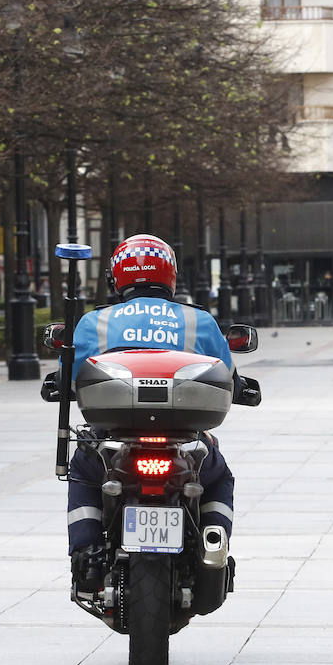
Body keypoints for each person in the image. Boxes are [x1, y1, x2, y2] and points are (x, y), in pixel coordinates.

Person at [65, 233, 236, 595]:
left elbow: (71, 375)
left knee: (82, 470)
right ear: (171, 274)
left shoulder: (93, 322)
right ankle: (213, 547)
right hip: (185, 444)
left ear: (117, 276)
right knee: (218, 475)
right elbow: (229, 374)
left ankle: (86, 552)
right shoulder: (199, 322)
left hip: (111, 443)